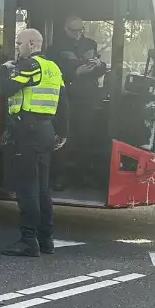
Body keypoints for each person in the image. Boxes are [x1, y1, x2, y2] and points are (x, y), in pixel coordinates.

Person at [0, 28, 69, 257]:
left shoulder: (29, 66)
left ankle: (28, 240)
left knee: (27, 188)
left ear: (31, 43)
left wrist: (5, 70)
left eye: (19, 43)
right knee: (43, 189)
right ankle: (45, 239)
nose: (17, 48)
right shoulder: (54, 68)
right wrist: (63, 133)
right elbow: (64, 103)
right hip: (46, 130)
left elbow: (6, 90)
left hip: (27, 132)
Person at [46, 15, 107, 189]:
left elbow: (101, 69)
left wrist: (98, 65)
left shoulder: (90, 44)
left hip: (89, 98)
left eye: (81, 29)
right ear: (65, 29)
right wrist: (75, 73)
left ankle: (82, 174)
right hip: (66, 98)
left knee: (86, 137)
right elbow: (51, 74)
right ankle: (60, 175)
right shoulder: (55, 47)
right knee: (65, 138)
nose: (79, 34)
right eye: (74, 30)